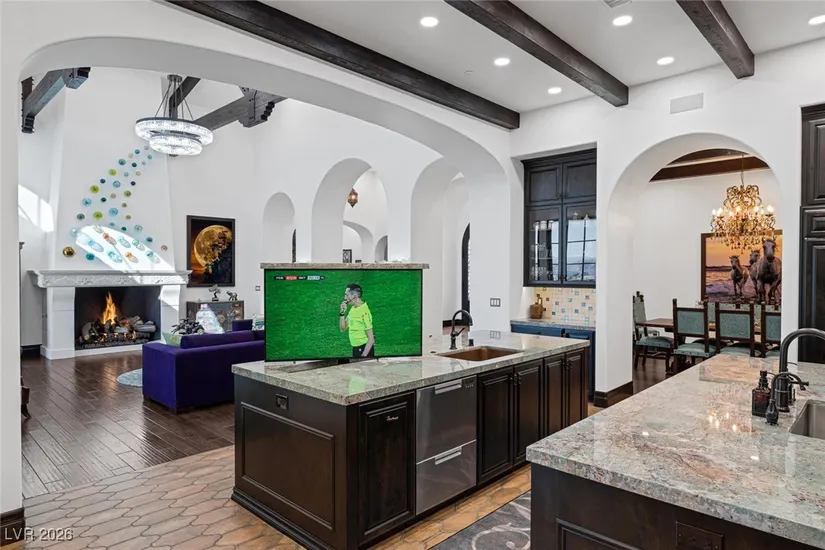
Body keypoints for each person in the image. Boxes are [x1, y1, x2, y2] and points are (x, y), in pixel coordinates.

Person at [339, 283, 375, 358]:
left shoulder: (364, 312)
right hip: (356, 349)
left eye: (347, 295)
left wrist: (363, 357)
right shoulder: (353, 309)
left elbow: (371, 339)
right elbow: (343, 328)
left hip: (364, 350)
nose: (345, 298)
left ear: (354, 297)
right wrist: (342, 313)